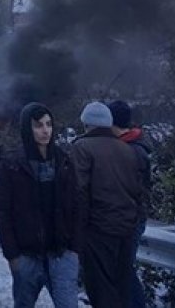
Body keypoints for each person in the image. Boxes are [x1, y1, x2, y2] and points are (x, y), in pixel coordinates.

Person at [0, 103, 81, 308]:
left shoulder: (63, 161)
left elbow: (77, 205)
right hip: (27, 256)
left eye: (48, 124)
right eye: (38, 125)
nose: (45, 130)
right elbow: (3, 212)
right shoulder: (13, 165)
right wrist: (13, 255)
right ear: (27, 128)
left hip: (61, 254)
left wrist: (74, 249)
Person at [71, 102, 144, 308]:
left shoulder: (82, 147)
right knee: (121, 287)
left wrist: (78, 232)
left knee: (101, 291)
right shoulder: (127, 149)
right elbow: (136, 192)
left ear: (86, 123)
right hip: (126, 230)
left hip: (98, 231)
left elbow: (79, 192)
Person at [108, 101, 154, 308]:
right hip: (125, 217)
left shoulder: (132, 151)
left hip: (129, 219)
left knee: (122, 270)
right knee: (119, 270)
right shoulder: (131, 146)